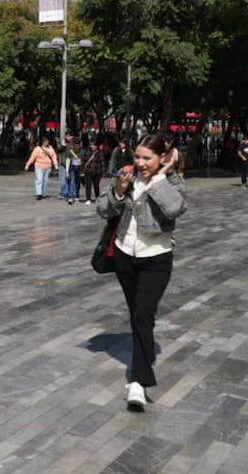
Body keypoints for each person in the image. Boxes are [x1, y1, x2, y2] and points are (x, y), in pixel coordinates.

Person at [96, 134, 187, 412]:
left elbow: (174, 209)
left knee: (143, 314)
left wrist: (158, 179)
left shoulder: (172, 182)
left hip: (156, 259)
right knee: (137, 314)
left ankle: (138, 381)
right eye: (138, 156)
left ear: (161, 158)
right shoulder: (128, 176)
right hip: (125, 256)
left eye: (147, 158)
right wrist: (119, 192)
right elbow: (102, 209)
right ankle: (139, 373)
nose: (141, 162)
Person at [81, 141, 106, 205]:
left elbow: (102, 163)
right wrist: (82, 170)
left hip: (97, 171)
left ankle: (97, 198)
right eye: (92, 145)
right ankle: (88, 199)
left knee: (96, 185)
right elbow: (83, 161)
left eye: (94, 145)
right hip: (88, 171)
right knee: (88, 185)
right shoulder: (87, 151)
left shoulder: (99, 153)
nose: (93, 146)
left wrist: (103, 172)